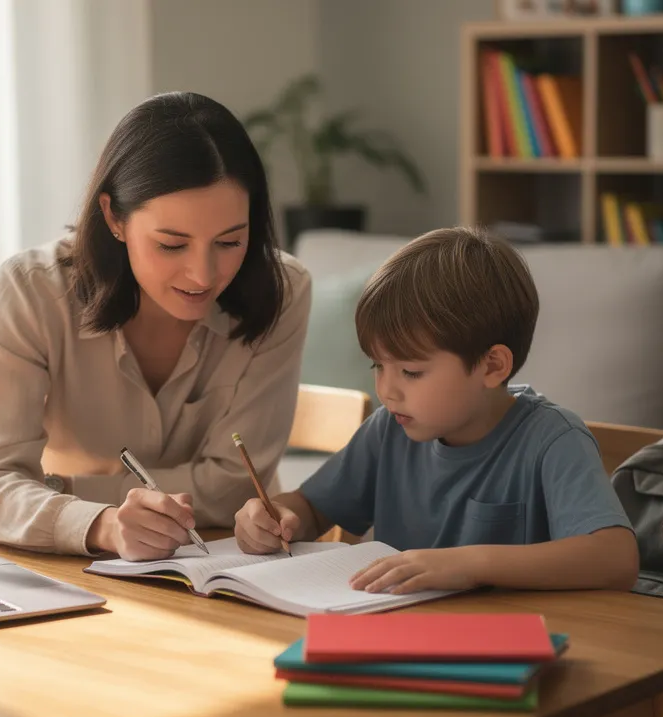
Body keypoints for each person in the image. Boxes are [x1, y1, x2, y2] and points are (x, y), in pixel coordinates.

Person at [0, 91, 312, 562]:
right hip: (75, 569)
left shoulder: (283, 290)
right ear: (114, 217)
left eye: (230, 241)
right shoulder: (31, 290)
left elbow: (232, 487)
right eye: (172, 245)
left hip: (229, 565)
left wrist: (53, 487)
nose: (203, 275)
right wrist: (104, 525)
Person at [232, 226, 638, 595]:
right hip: (399, 639)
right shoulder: (387, 431)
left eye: (410, 371)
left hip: (507, 649)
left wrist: (472, 563)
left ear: (492, 366)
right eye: (378, 365)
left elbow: (616, 558)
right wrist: (276, 517)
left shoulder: (553, 440)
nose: (387, 390)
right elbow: (315, 507)